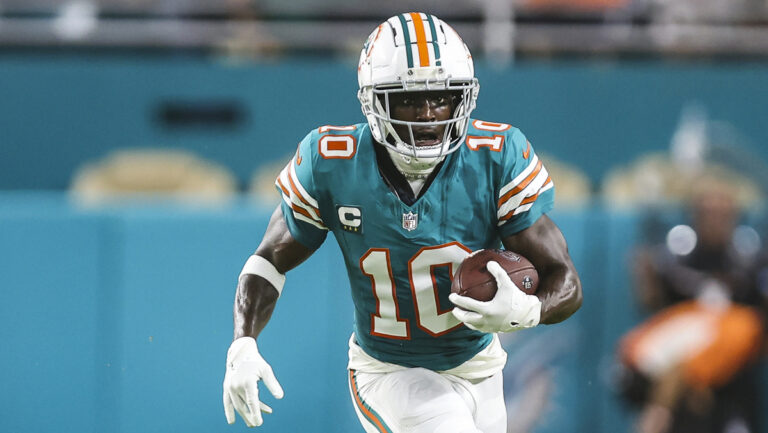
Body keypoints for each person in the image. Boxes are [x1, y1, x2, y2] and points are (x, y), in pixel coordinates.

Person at [222, 12, 582, 433]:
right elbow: (269, 260)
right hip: (389, 372)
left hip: (481, 366)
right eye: (409, 99)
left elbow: (565, 280)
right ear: (374, 102)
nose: (428, 114)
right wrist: (242, 343)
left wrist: (528, 310)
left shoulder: (495, 157)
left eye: (442, 97)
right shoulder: (331, 162)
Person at [620, 179, 766, 433]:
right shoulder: (675, 257)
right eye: (708, 212)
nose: (715, 221)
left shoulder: (751, 262)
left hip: (733, 378)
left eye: (723, 213)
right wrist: (646, 278)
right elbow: (653, 307)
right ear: (694, 215)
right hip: (677, 368)